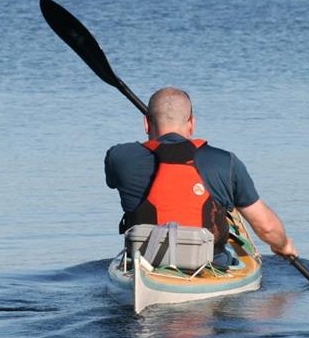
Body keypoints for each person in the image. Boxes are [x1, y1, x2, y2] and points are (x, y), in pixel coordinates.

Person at [104, 87, 298, 260]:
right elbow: (267, 228)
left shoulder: (119, 157)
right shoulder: (225, 162)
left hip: (143, 262)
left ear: (146, 124)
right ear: (192, 124)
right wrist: (283, 245)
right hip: (207, 265)